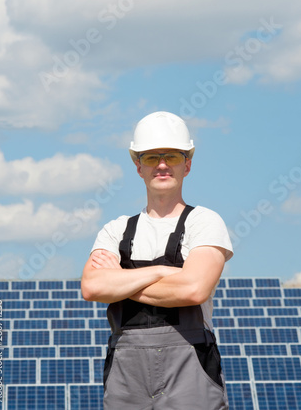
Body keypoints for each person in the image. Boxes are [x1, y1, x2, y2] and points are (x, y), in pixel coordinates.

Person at [81, 111, 233, 410]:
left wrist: (121, 282)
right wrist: (165, 272)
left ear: (187, 165)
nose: (162, 165)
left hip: (190, 368)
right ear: (138, 167)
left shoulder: (204, 221)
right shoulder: (116, 229)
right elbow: (92, 288)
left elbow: (193, 290)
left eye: (172, 157)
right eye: (151, 158)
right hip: (126, 372)